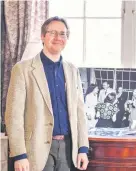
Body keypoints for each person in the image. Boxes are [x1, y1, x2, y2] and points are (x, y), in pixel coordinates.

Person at [5, 16, 89, 171]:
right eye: (52, 33)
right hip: (35, 151)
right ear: (43, 36)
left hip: (68, 149)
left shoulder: (72, 70)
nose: (58, 38)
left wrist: (83, 148)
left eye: (62, 34)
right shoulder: (22, 69)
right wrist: (19, 155)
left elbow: (80, 112)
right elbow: (13, 116)